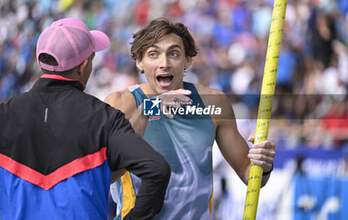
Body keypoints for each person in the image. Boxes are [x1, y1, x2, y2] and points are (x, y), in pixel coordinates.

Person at [0, 17, 170, 220]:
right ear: (82, 66)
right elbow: (156, 170)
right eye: (92, 58)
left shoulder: (5, 114)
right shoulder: (104, 117)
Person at [105, 18, 276, 220]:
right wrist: (149, 109)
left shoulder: (214, 104)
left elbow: (249, 174)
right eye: (153, 54)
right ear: (139, 62)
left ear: (187, 60)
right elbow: (103, 174)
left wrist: (263, 166)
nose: (164, 63)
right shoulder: (121, 103)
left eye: (174, 54)